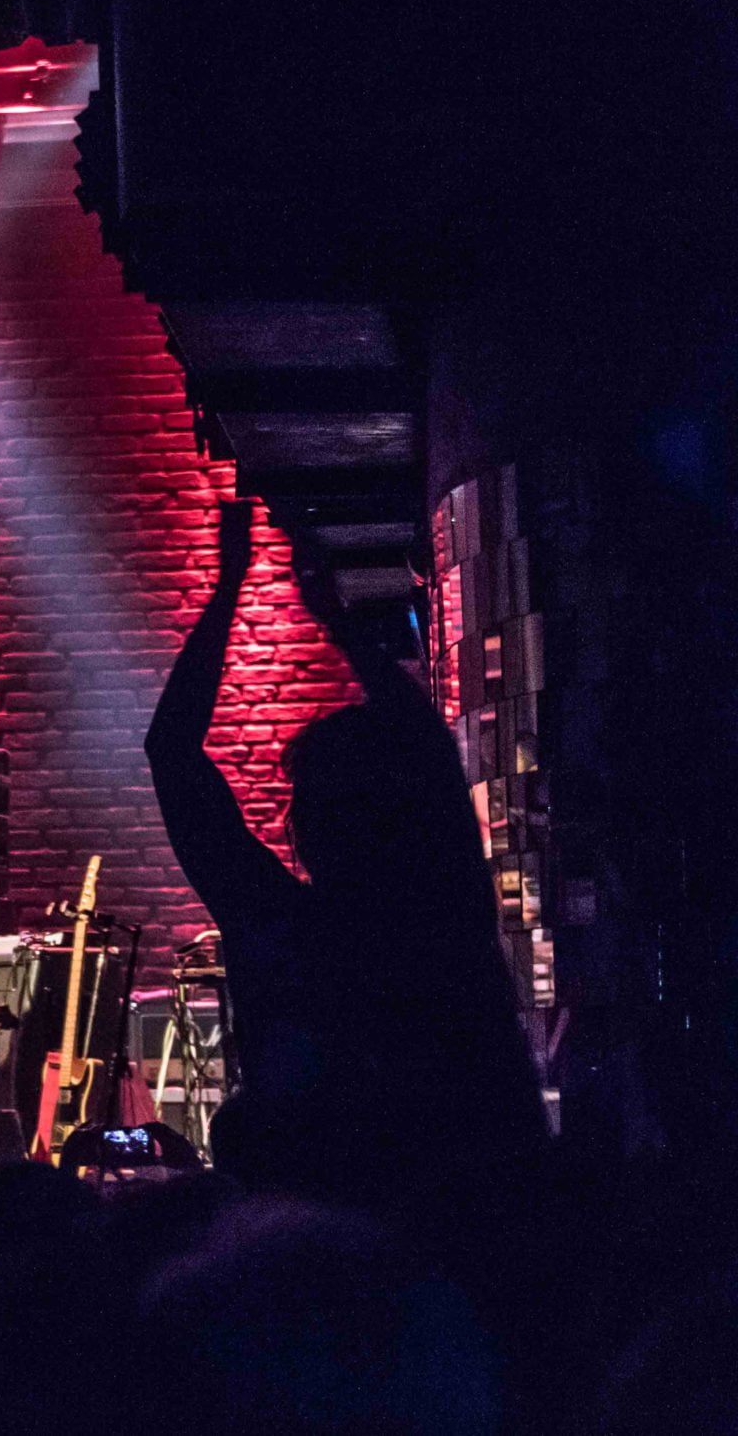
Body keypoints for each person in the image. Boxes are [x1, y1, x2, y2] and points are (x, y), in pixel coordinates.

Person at [143, 500, 547, 1200]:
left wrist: (229, 584)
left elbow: (171, 750)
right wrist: (334, 618)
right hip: (486, 1212)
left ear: (309, 823)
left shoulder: (281, 925)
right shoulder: (446, 914)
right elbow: (425, 743)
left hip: (317, 1228)